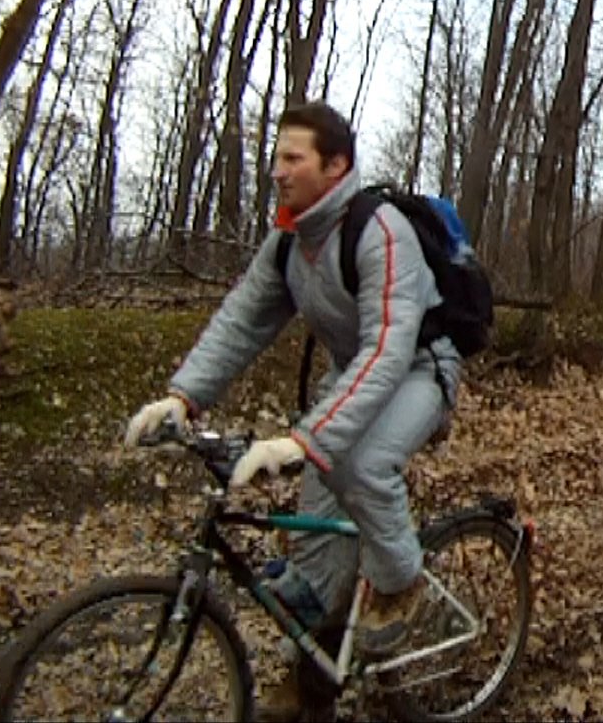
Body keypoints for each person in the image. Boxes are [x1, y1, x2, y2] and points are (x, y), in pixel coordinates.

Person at [122, 101, 459, 719]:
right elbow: (243, 317)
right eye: (275, 158)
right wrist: (182, 396)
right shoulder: (289, 240)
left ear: (336, 166)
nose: (276, 171)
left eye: (291, 158)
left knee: (358, 465)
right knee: (314, 556)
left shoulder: (381, 230)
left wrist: (306, 441)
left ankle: (403, 583)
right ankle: (314, 687)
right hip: (351, 372)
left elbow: (387, 350)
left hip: (419, 369)